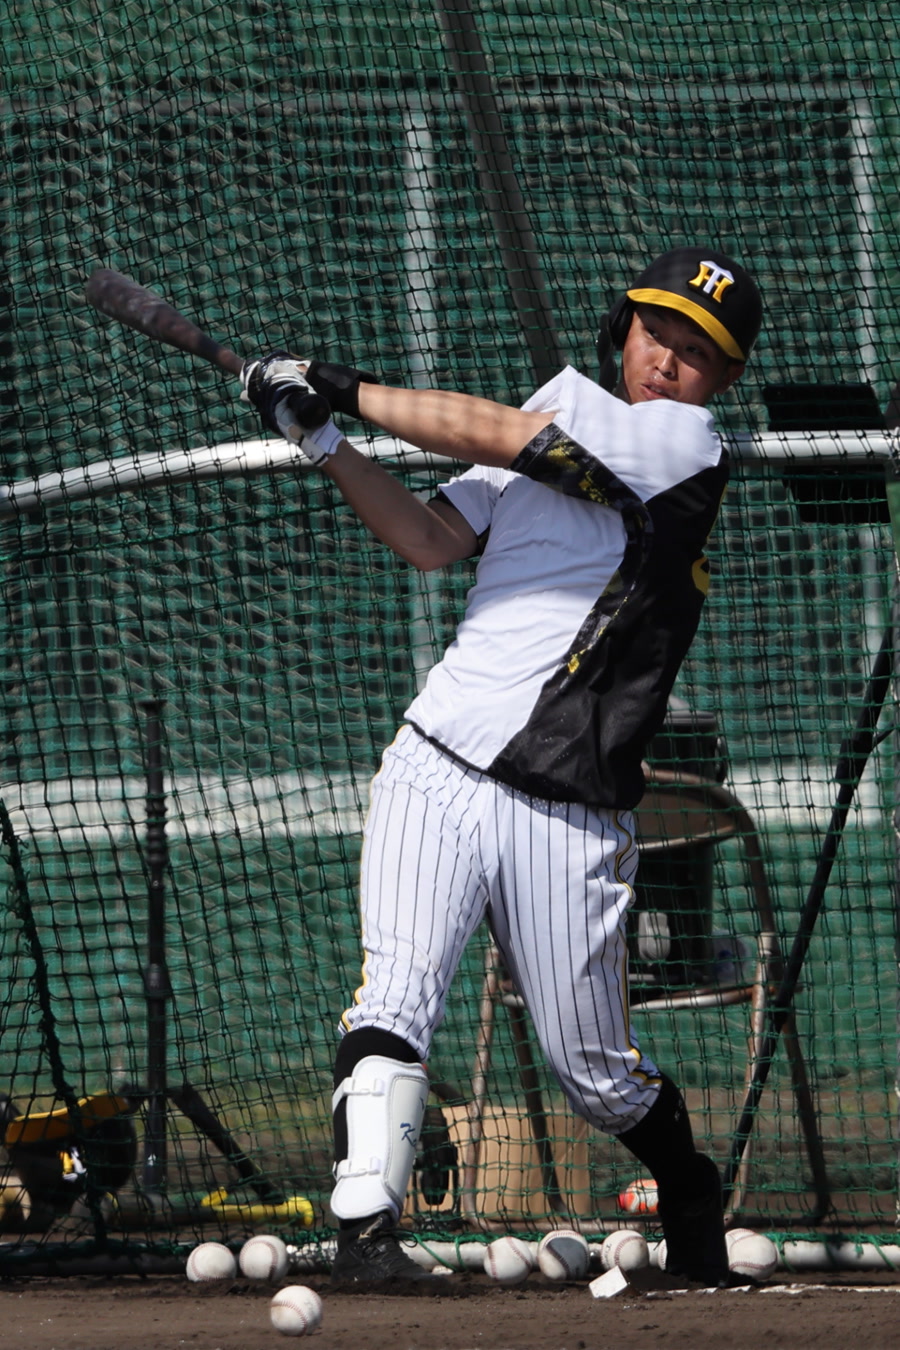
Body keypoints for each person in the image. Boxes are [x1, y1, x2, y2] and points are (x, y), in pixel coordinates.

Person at [240, 245, 763, 1288]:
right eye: (655, 332)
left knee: (596, 1076)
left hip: (566, 805)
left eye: (697, 351)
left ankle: (689, 1183)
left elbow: (497, 434)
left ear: (722, 379)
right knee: (394, 992)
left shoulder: (681, 445)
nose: (667, 361)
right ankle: (366, 1233)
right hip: (436, 758)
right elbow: (432, 539)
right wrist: (325, 440)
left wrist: (340, 384)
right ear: (622, 329)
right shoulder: (556, 403)